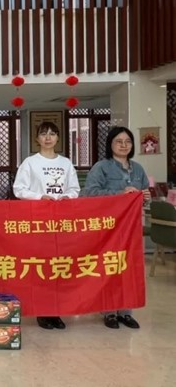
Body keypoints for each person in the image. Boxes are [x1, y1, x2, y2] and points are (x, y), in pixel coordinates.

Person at [80, 126, 150, 330]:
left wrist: (145, 196)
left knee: (129, 268)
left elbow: (145, 196)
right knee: (109, 267)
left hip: (131, 230)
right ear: (110, 144)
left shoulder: (138, 169)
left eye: (127, 141)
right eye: (118, 141)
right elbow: (89, 193)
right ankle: (109, 311)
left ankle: (126, 312)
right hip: (108, 229)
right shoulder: (101, 167)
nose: (123, 145)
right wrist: (120, 193)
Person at [13, 121, 80, 330]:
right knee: (41, 267)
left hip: (61, 223)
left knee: (59, 267)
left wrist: (67, 197)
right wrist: (39, 197)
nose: (48, 138)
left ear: (58, 137)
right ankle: (42, 311)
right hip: (38, 222)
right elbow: (19, 189)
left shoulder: (66, 163)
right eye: (43, 134)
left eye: (52, 133)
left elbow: (75, 189)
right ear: (37, 138)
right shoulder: (30, 163)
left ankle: (56, 311)